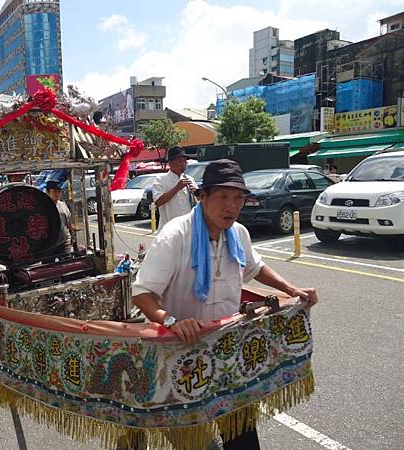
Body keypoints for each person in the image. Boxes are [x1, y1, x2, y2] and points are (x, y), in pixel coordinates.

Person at [132, 159, 318, 449]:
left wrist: (291, 289)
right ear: (202, 196)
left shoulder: (238, 233)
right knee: (196, 443)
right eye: (222, 197)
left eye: (238, 198)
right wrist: (172, 322)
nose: (231, 206)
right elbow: (142, 293)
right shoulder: (174, 235)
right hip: (181, 353)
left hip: (227, 351)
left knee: (242, 438)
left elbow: (255, 268)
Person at [152, 146, 198, 230]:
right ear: (170, 163)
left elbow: (199, 203)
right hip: (169, 229)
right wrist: (177, 188)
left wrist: (196, 193)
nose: (183, 164)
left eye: (185, 161)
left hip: (189, 228)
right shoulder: (160, 180)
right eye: (180, 161)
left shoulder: (190, 179)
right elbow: (158, 202)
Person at [45, 179, 74, 259]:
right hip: (48, 245)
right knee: (48, 268)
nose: (57, 194)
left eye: (59, 191)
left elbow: (68, 222)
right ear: (48, 192)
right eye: (54, 191)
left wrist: (72, 236)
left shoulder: (63, 205)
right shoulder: (43, 207)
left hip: (64, 242)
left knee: (67, 263)